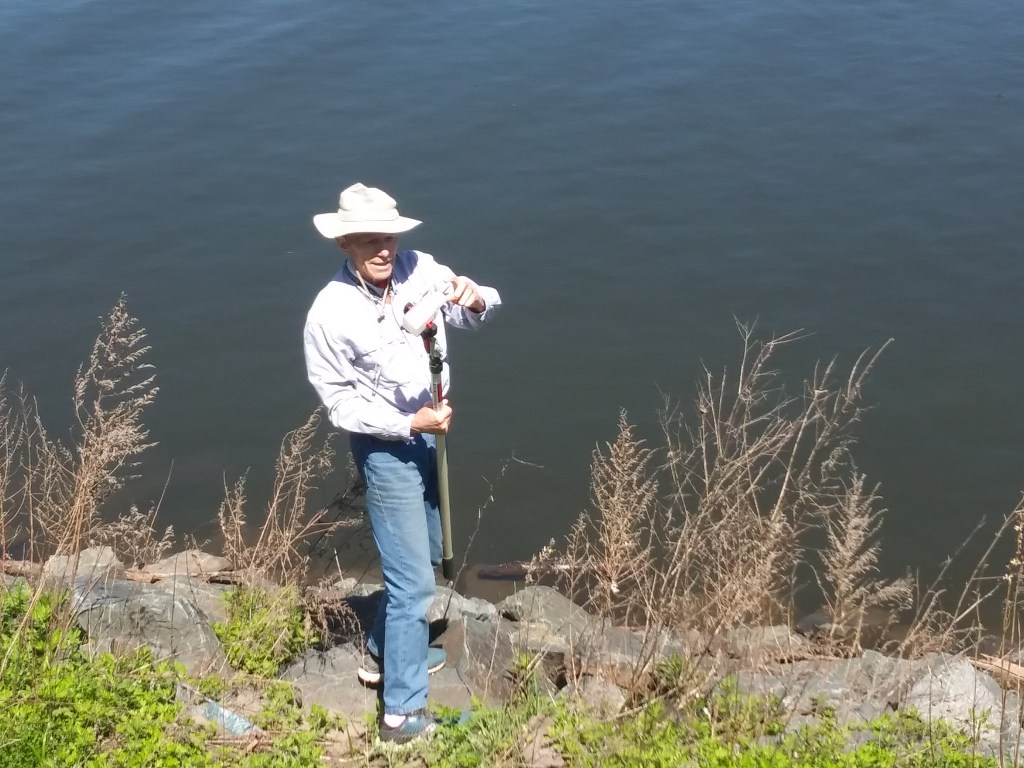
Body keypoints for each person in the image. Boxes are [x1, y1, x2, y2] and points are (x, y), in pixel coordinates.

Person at [302, 183, 501, 743]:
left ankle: (381, 649)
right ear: (345, 244)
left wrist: (473, 297)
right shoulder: (329, 313)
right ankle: (402, 715)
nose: (382, 249)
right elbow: (339, 403)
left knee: (434, 550)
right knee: (412, 583)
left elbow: (484, 306)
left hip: (430, 441)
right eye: (368, 240)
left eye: (387, 236)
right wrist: (408, 423)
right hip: (388, 449)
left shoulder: (421, 270)